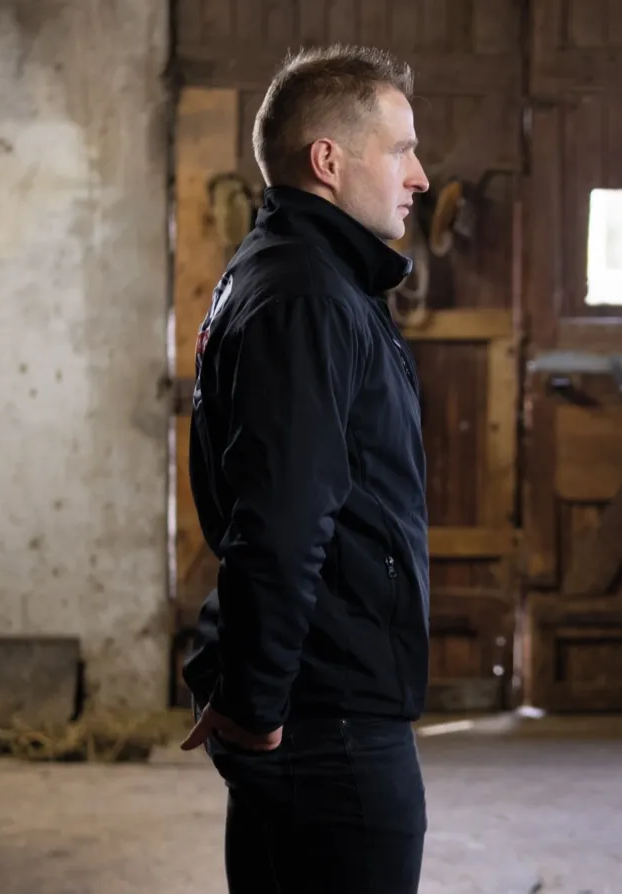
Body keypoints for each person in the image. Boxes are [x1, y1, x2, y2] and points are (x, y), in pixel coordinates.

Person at [176, 43, 432, 893]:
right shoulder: (308, 297)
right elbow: (283, 521)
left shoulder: (299, 277)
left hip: (320, 704)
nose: (420, 176)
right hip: (330, 721)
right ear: (328, 160)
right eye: (401, 150)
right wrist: (253, 703)